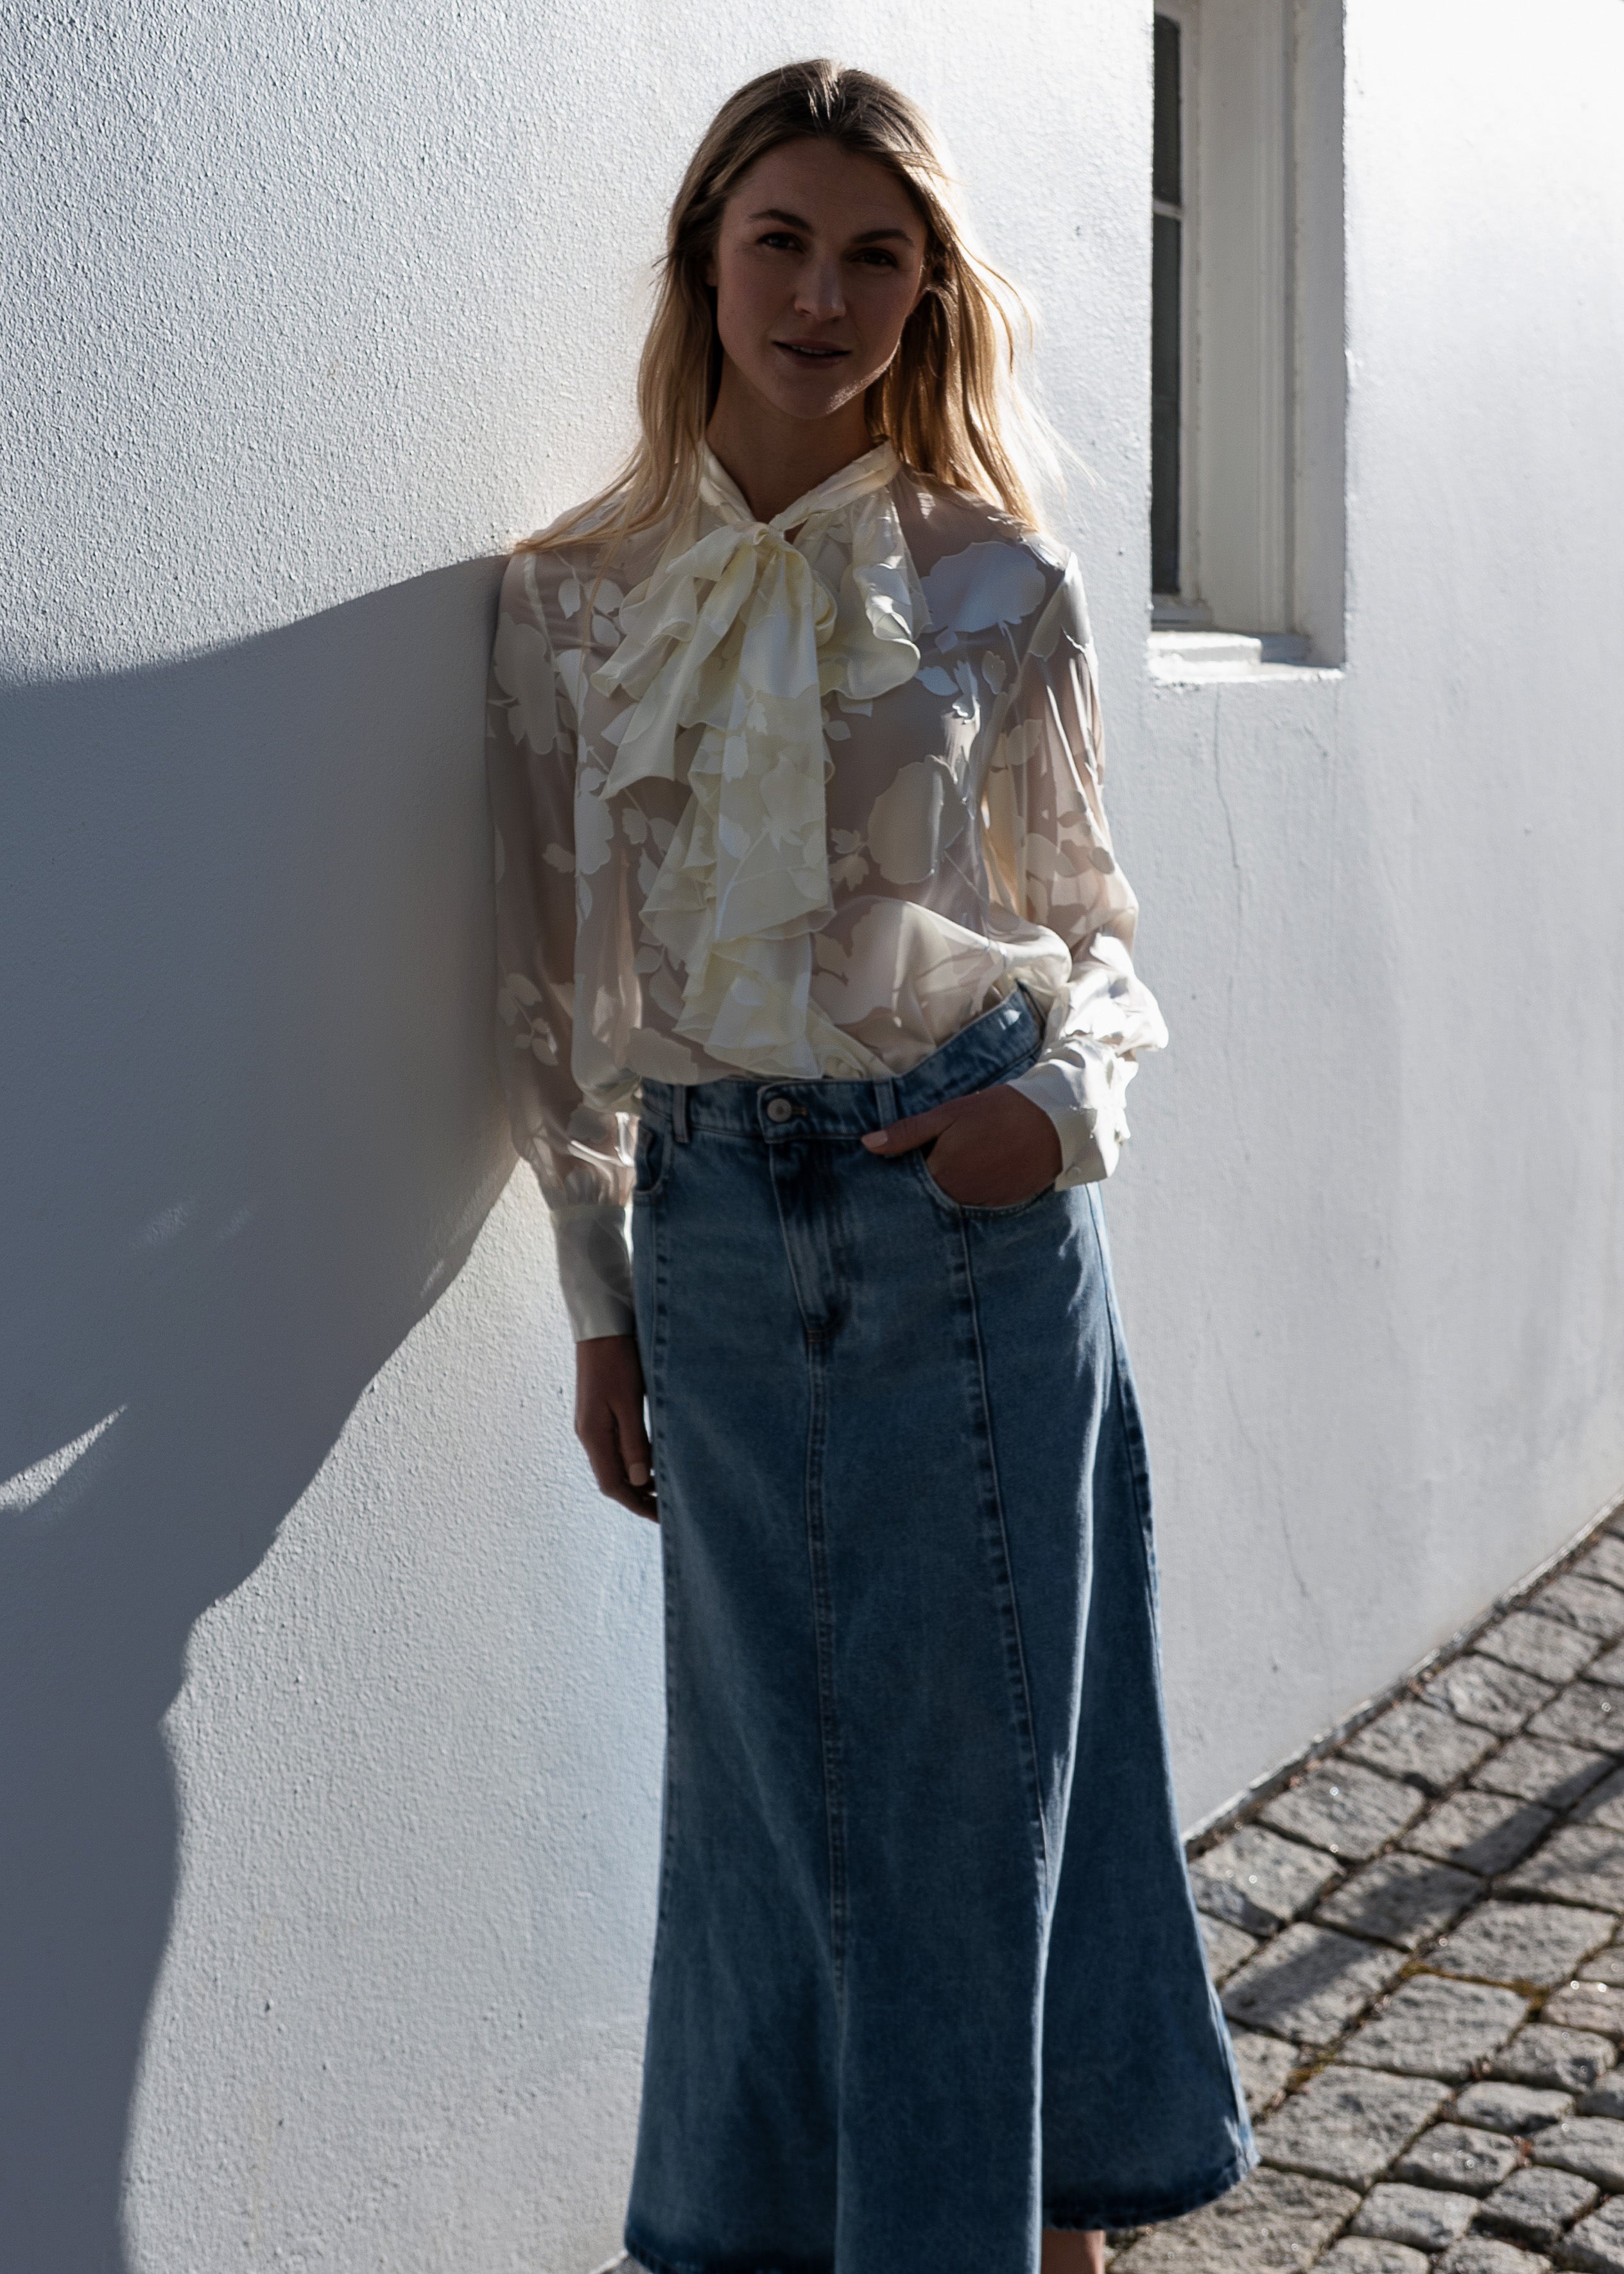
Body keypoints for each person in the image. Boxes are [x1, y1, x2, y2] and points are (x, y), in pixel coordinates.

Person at [485, 57, 1253, 2274]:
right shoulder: (566, 601)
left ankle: (1036, 2238)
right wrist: (601, 1299)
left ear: (928, 293)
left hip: (969, 1214)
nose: (823, 295)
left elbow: (1092, 929)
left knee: (995, 1785)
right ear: (704, 266)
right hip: (717, 1243)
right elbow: (548, 992)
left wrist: (1061, 1116)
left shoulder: (1002, 580)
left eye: (875, 255)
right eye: (781, 243)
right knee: (758, 1813)